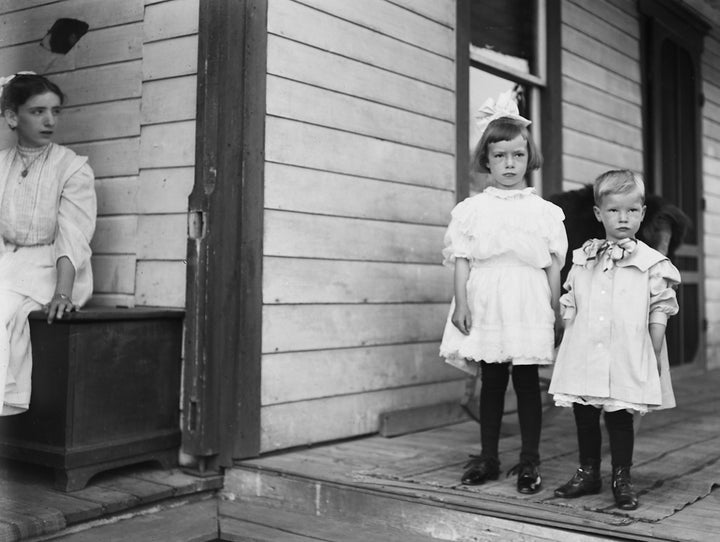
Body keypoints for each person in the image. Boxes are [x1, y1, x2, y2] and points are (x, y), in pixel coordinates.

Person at [439, 90, 567, 494]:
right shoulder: (472, 209)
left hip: (528, 296)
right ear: (486, 160)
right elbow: (461, 258)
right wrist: (461, 302)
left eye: (517, 155)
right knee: (492, 379)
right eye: (500, 156)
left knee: (528, 381)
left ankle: (529, 460)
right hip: (486, 295)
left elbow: (552, 263)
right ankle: (488, 456)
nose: (509, 164)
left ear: (529, 158)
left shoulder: (543, 212)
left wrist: (555, 308)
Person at [549, 170, 680, 510]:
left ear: (641, 214)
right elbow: (571, 300)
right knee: (585, 411)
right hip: (585, 349)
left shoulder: (652, 264)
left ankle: (622, 477)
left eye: (631, 211)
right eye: (613, 210)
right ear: (598, 214)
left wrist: (652, 347)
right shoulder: (584, 258)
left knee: (620, 415)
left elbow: (660, 308)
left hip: (627, 349)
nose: (623, 218)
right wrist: (566, 342)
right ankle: (588, 472)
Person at [0, 72, 96, 415]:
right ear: (12, 116)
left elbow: (73, 235)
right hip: (10, 264)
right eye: (38, 111)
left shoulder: (71, 168)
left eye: (55, 111)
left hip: (56, 269)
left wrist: (63, 293)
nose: (49, 120)